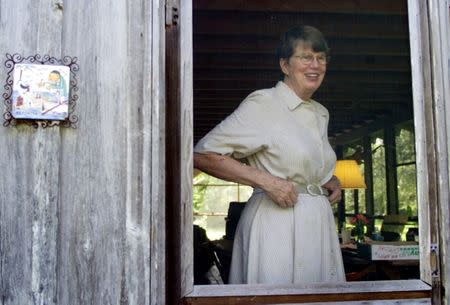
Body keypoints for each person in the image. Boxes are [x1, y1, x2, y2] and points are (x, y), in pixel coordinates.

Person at [193, 25, 346, 284]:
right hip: (275, 223)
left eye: (321, 58)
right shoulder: (265, 103)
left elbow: (303, 161)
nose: (316, 65)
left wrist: (325, 180)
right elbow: (203, 154)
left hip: (317, 224)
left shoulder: (321, 113)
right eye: (306, 57)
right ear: (285, 65)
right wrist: (266, 181)